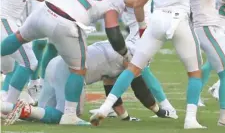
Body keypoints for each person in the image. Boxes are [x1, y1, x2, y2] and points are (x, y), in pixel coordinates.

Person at [90, 0, 216, 129]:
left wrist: (140, 25)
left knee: (132, 68)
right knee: (194, 73)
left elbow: (139, 2)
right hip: (179, 18)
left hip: (157, 19)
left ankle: (105, 108)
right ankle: (190, 119)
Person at [1, 0, 130, 125]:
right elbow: (113, 31)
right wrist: (125, 53)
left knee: (18, 37)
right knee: (78, 69)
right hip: (66, 22)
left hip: (45, 9)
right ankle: (69, 115)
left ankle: (14, 105)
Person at [4, 39, 174, 126]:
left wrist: (125, 117)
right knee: (67, 116)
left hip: (54, 65)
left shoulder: (120, 50)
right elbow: (140, 89)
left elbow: (112, 91)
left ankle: (7, 108)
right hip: (68, 73)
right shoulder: (131, 56)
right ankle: (24, 108)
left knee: (42, 114)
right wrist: (159, 111)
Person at [1, 0, 61, 108]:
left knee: (13, 65)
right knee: (29, 62)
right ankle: (8, 106)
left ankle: (6, 101)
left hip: (10, 17)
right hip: (4, 18)